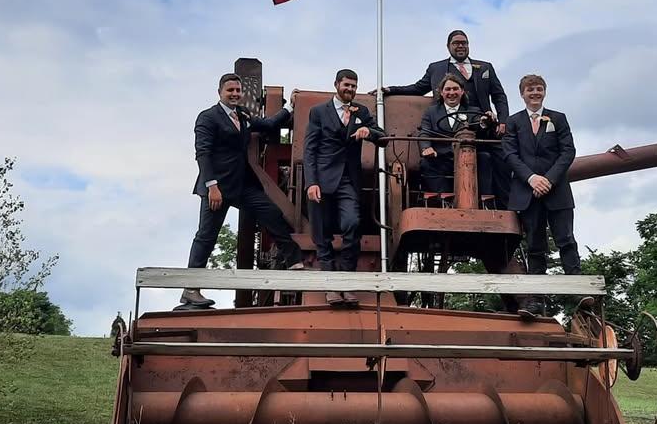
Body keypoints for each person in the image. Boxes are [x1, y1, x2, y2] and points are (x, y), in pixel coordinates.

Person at [182, 72, 303, 311]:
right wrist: (211, 186)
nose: (235, 94)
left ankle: (295, 262)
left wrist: (289, 107)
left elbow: (268, 125)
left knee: (271, 213)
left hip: (242, 185)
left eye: (238, 90)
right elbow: (203, 154)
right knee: (206, 236)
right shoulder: (208, 118)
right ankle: (191, 289)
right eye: (230, 90)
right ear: (220, 92)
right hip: (217, 188)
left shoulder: (243, 115)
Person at [383, 29, 511, 207]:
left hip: (482, 130)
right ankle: (445, 204)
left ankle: (501, 207)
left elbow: (499, 96)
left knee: (501, 160)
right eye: (456, 43)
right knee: (432, 165)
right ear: (448, 46)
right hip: (445, 135)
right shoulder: (436, 68)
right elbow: (418, 88)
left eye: (464, 43)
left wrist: (502, 121)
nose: (460, 46)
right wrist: (390, 90)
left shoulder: (485, 67)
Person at [303, 68, 385, 306]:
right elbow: (310, 149)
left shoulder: (362, 111)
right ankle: (331, 286)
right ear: (336, 84)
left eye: (353, 86)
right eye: (346, 85)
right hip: (321, 180)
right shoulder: (318, 112)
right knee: (322, 235)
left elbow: (382, 137)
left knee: (352, 224)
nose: (350, 89)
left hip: (349, 180)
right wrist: (311, 182)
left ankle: (347, 283)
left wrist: (369, 132)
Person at [502, 73, 579, 319]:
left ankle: (578, 291)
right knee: (535, 246)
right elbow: (510, 154)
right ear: (522, 94)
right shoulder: (513, 122)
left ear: (544, 92)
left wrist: (549, 179)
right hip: (527, 192)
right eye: (530, 90)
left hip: (557, 191)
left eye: (538, 89)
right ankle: (535, 300)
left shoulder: (558, 118)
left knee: (566, 239)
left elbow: (568, 151)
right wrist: (532, 178)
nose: (535, 93)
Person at [418, 72, 494, 201]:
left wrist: (484, 122)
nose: (451, 92)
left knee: (485, 158)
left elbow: (480, 126)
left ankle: (484, 201)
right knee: (426, 163)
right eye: (448, 89)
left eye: (455, 89)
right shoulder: (431, 112)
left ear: (462, 91)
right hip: (441, 157)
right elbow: (424, 132)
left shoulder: (473, 111)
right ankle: (443, 201)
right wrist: (426, 148)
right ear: (441, 92)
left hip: (469, 158)